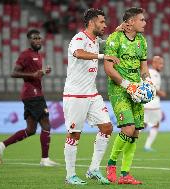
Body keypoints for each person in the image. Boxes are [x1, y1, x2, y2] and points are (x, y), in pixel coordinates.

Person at [63, 8, 120, 185]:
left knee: (107, 128)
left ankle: (93, 169)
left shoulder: (96, 41)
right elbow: (78, 53)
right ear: (91, 22)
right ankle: (70, 175)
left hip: (92, 94)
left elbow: (108, 42)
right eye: (102, 22)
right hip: (75, 95)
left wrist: (118, 30)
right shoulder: (79, 38)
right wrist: (103, 56)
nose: (105, 25)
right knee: (74, 134)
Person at [0, 29, 58, 167]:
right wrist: (33, 74)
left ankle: (1, 145)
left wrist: (43, 72)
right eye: (34, 38)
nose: (38, 40)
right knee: (46, 124)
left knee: (31, 130)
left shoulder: (38, 56)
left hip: (32, 94)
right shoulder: (26, 55)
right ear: (29, 40)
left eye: (39, 38)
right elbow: (14, 73)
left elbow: (36, 74)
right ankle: (45, 159)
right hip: (33, 95)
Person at [104, 7, 154, 185]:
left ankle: (125, 175)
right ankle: (111, 164)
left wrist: (147, 82)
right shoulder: (114, 38)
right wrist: (126, 85)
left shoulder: (141, 41)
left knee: (136, 132)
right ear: (131, 21)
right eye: (141, 19)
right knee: (128, 128)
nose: (145, 23)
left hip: (137, 90)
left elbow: (144, 68)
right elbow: (108, 69)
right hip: (119, 89)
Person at [143, 56, 166, 152]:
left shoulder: (150, 73)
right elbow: (152, 88)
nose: (162, 66)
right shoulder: (154, 74)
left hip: (145, 104)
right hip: (153, 105)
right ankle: (147, 146)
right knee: (155, 125)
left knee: (141, 125)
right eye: (160, 63)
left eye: (162, 64)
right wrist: (161, 93)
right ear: (154, 63)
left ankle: (128, 142)